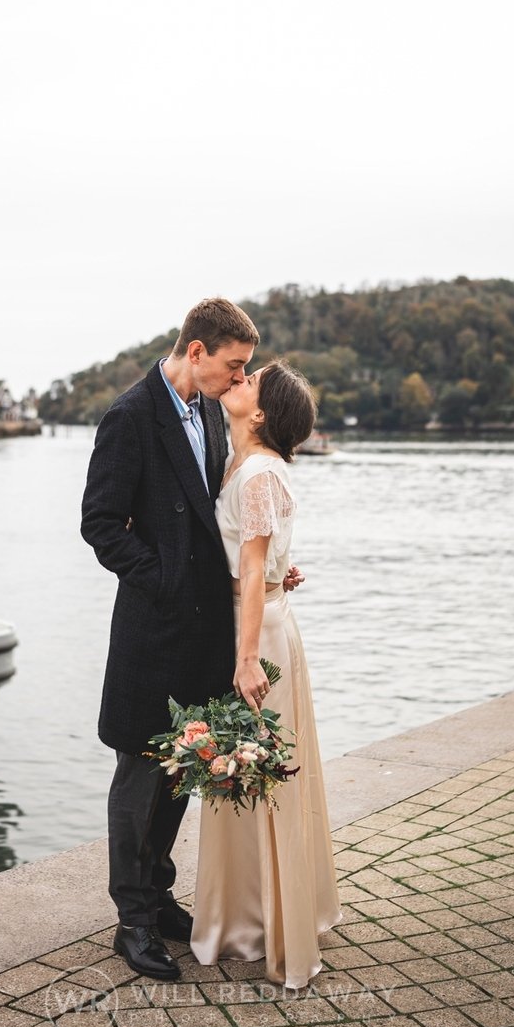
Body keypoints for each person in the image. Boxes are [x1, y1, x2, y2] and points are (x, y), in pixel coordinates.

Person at [81, 297, 265, 981]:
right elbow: (100, 524)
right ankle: (130, 919)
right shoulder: (129, 417)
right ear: (196, 352)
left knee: (185, 770)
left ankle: (157, 898)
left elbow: (208, 517)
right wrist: (161, 578)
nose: (238, 380)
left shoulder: (211, 413)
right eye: (233, 365)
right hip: (151, 631)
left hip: (202, 635)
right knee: (138, 776)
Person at [190, 359, 341, 989]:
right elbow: (262, 558)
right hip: (267, 618)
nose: (237, 379)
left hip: (256, 633)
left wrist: (246, 658)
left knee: (260, 775)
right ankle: (256, 912)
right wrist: (283, 570)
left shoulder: (254, 472)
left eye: (249, 381)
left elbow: (251, 570)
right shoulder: (252, 466)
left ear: (261, 414)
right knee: (253, 773)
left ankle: (258, 920)